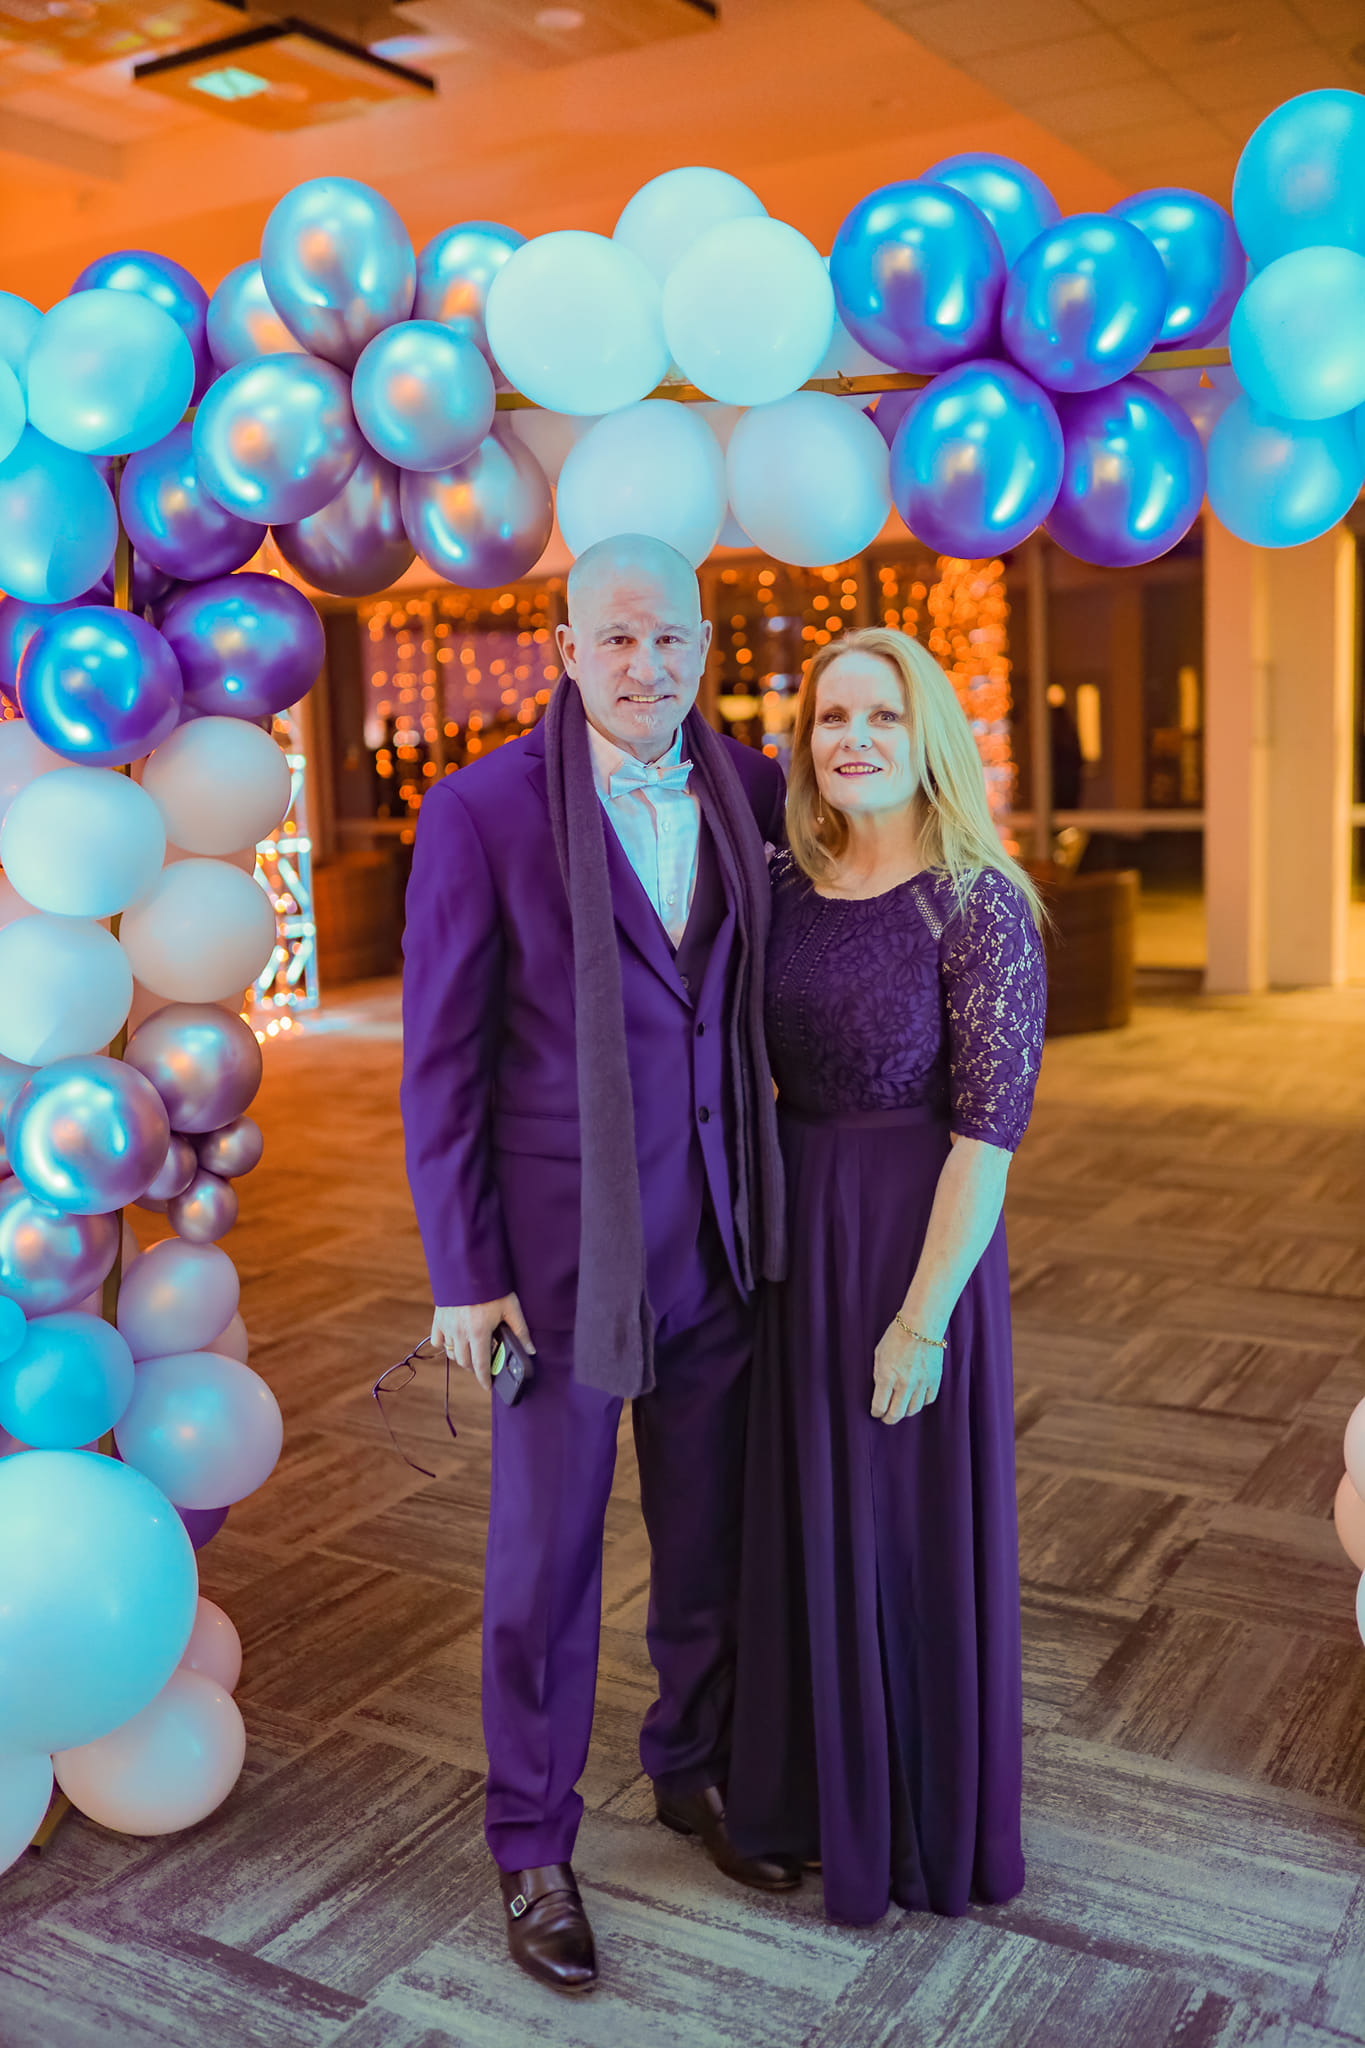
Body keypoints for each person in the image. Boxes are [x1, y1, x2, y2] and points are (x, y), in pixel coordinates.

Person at [400, 532, 796, 1997]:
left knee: (711, 1536)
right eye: (617, 639)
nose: (646, 666)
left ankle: (692, 1767)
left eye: (670, 638)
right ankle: (530, 1840)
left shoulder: (753, 785)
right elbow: (441, 1063)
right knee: (546, 1563)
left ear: (704, 648)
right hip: (558, 1264)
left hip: (722, 1239)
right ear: (565, 652)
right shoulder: (480, 811)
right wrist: (463, 1270)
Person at [727, 626, 1048, 1928]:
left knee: (902, 1528)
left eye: (882, 716)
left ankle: (914, 1825)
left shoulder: (978, 901)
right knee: (804, 1511)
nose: (852, 738)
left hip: (917, 1243)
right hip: (798, 1235)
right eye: (830, 717)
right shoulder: (783, 884)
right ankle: (809, 1797)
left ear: (929, 739)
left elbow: (986, 1139)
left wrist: (921, 1321)